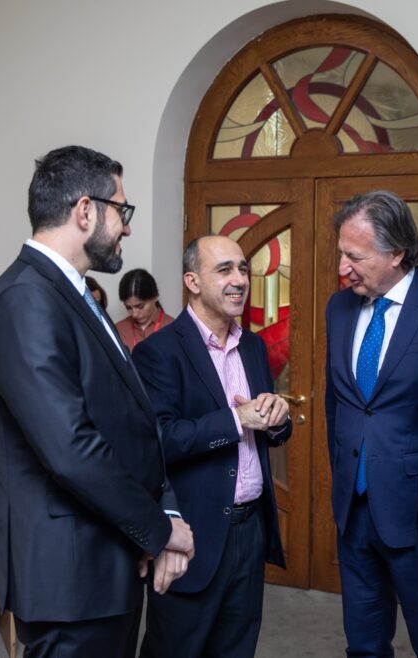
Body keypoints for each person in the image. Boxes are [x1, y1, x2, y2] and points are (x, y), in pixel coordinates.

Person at [0, 145, 194, 658]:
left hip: (102, 561)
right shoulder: (25, 299)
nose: (127, 228)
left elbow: (126, 422)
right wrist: (158, 530)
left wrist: (155, 519)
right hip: (70, 575)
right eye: (122, 210)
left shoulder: (67, 294)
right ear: (85, 210)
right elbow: (71, 448)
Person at [324, 190, 418, 657]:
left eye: (355, 256)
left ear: (396, 253)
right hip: (353, 510)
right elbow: (337, 405)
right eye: (341, 253)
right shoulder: (338, 308)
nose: (343, 268)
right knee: (363, 644)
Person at [134, 236, 291, 658]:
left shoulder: (253, 346)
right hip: (193, 531)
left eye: (243, 269)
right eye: (224, 270)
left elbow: (267, 425)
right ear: (193, 281)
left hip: (250, 529)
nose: (239, 279)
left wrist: (277, 418)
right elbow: (159, 440)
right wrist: (237, 420)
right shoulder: (158, 352)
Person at [115, 268, 173, 352]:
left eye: (140, 306)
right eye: (128, 308)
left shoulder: (173, 328)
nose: (134, 314)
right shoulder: (119, 330)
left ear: (155, 297)